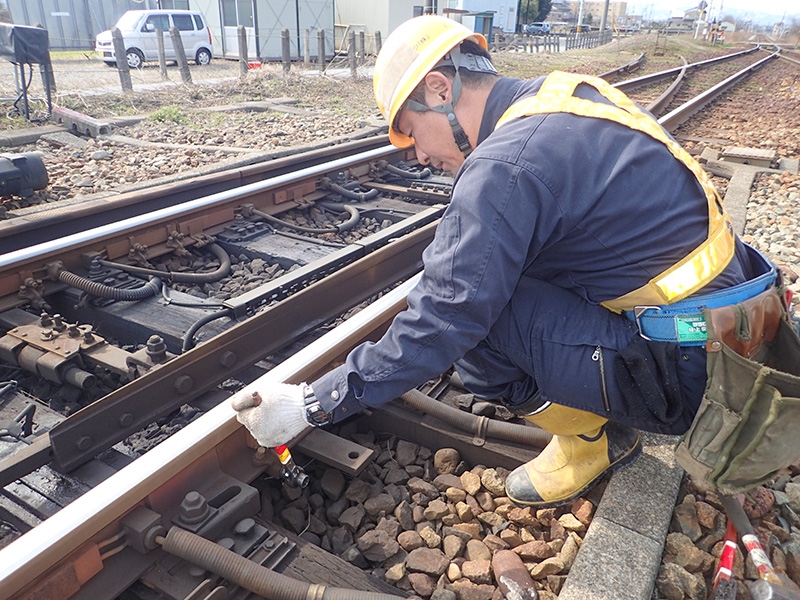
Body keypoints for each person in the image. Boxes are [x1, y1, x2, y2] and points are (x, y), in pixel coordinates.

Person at [231, 15, 778, 508]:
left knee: (477, 325)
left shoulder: (506, 165)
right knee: (495, 270)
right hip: (734, 336)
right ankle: (608, 410)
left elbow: (447, 313)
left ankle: (595, 442)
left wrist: (312, 403)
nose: (418, 155)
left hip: (692, 380)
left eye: (412, 132)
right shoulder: (565, 94)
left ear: (440, 88)